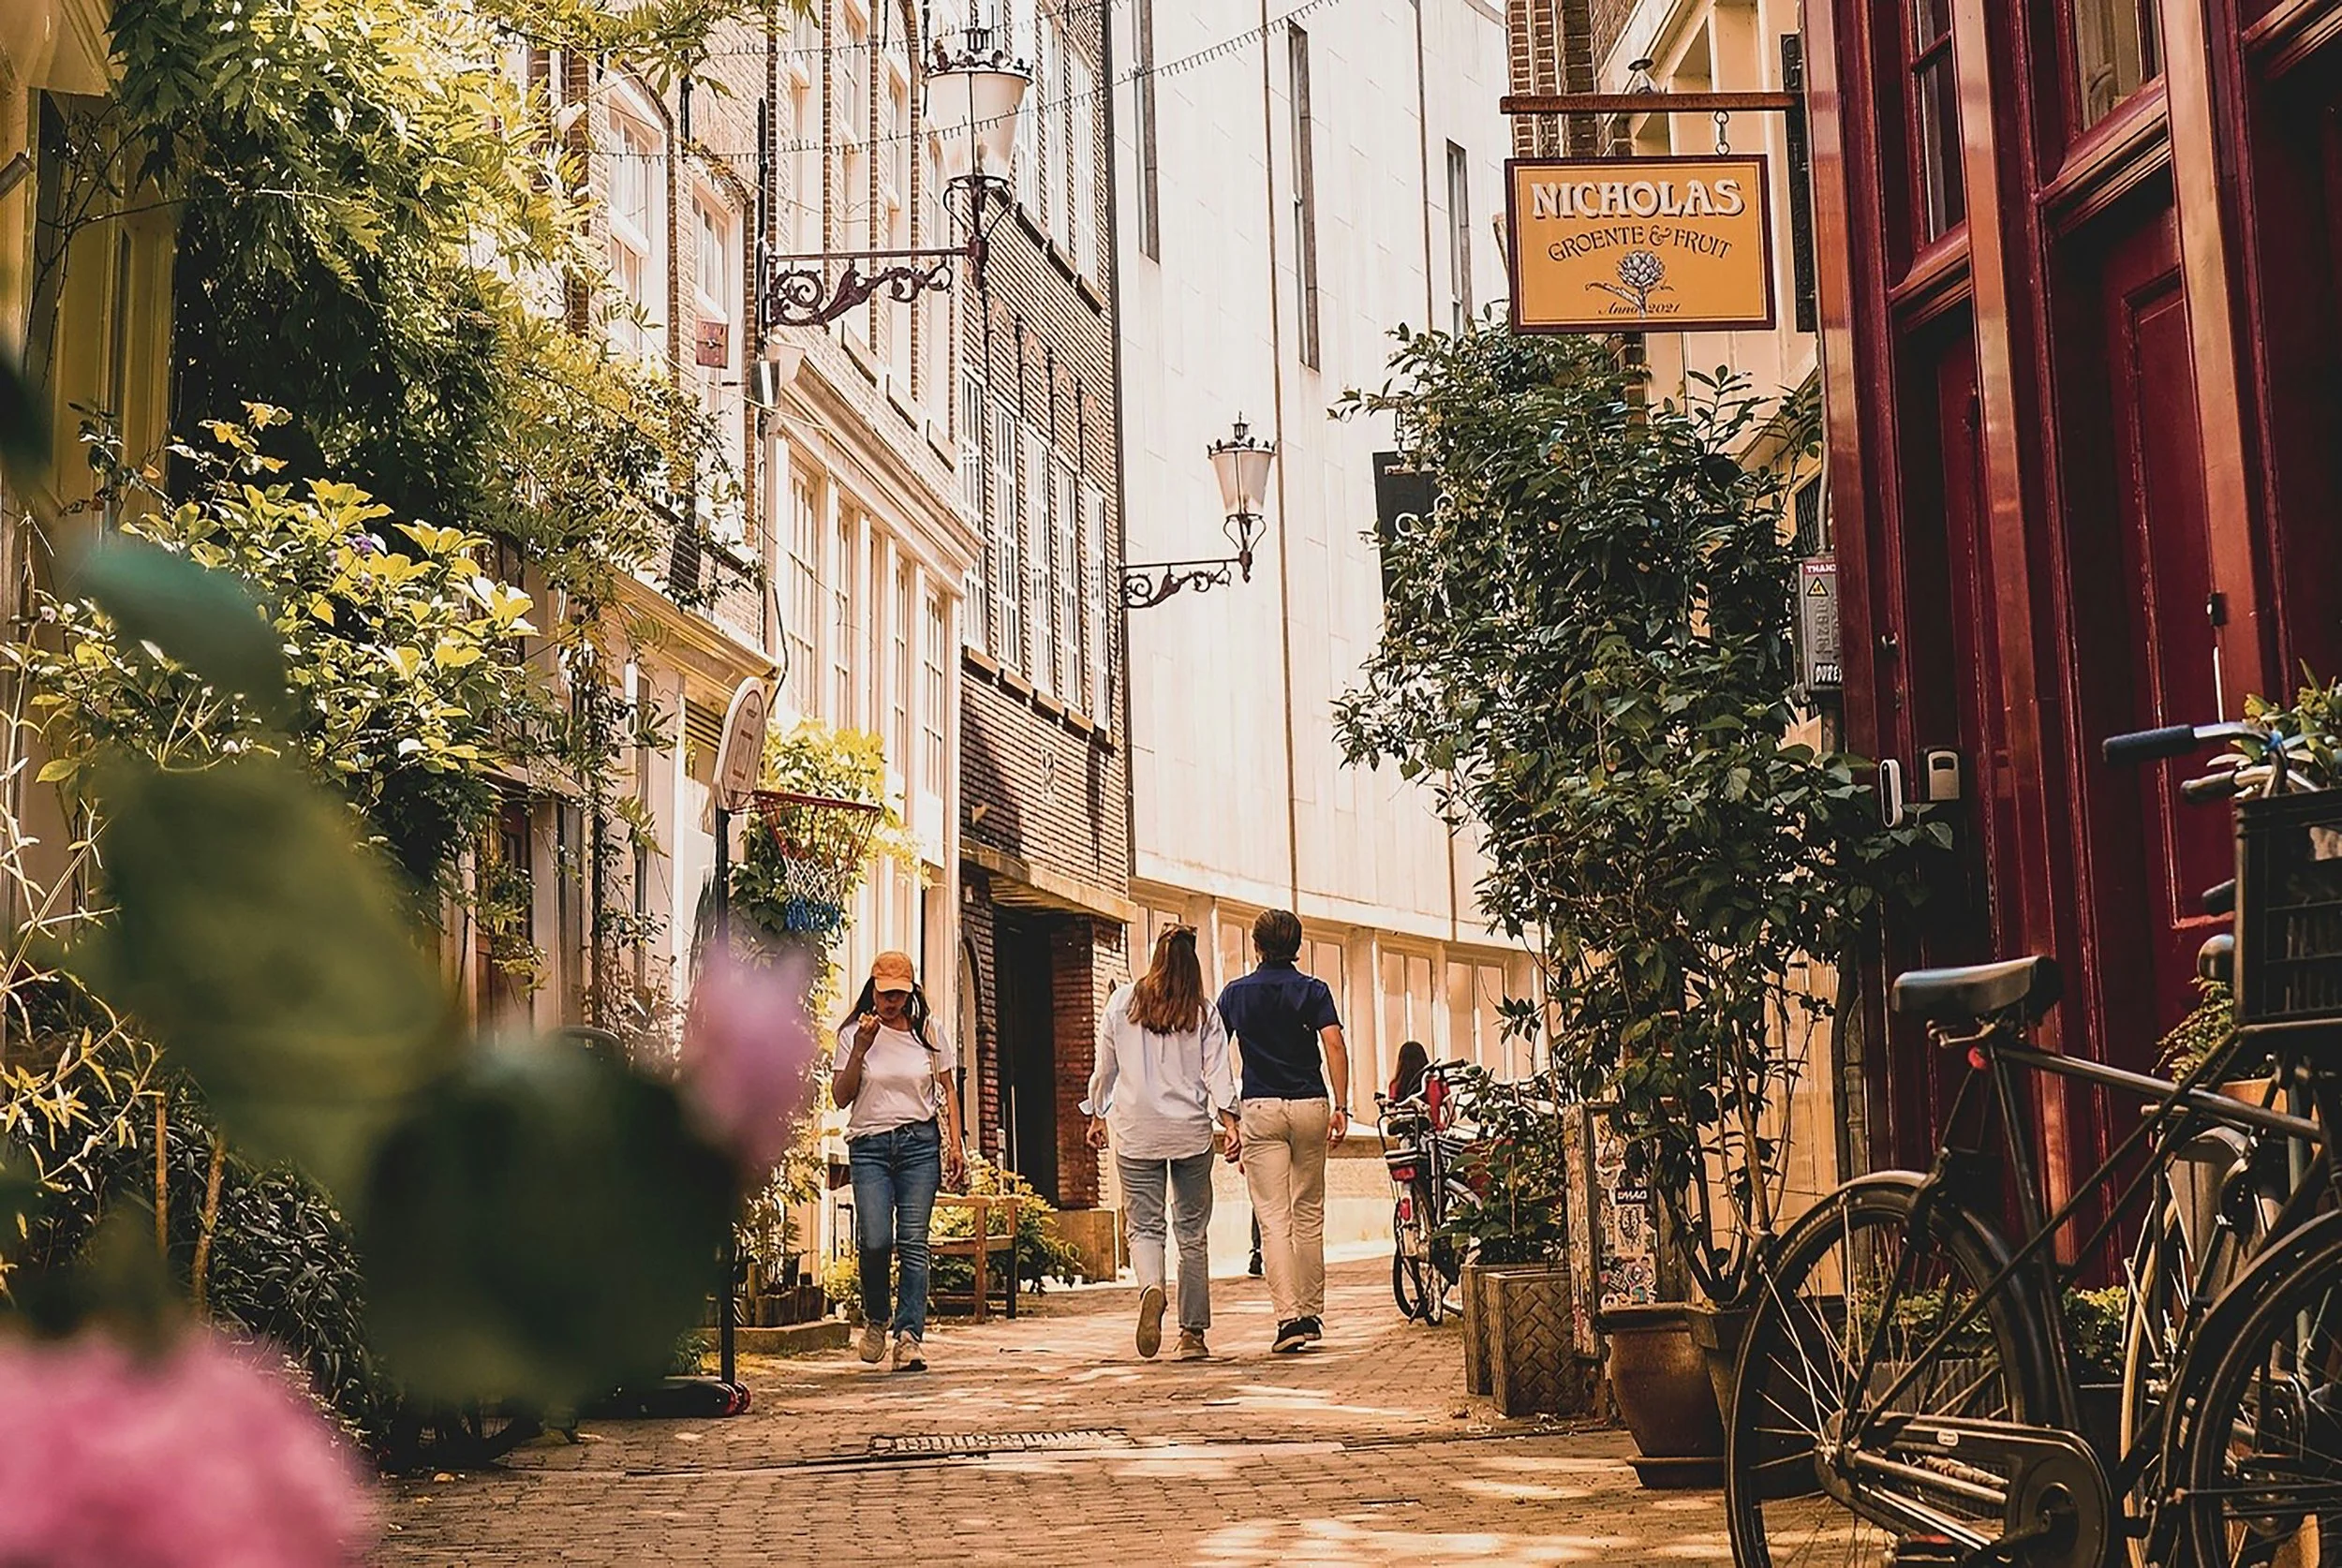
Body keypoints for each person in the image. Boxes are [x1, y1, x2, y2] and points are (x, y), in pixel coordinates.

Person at [1082, 925, 1238, 1361]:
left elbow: (1105, 1068)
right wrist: (1231, 1123)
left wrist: (1097, 1115)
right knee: (1192, 1234)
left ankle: (1151, 1287)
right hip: (1189, 1133)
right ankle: (1192, 1335)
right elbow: (1218, 1074)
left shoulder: (1121, 1003)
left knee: (1144, 1226)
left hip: (1135, 1132)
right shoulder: (1204, 1013)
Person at [1217, 909, 1349, 1354]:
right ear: (1297, 945)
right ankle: (1312, 1313)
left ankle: (1289, 1319)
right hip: (1311, 1103)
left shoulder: (1235, 994)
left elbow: (1214, 1055)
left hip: (1260, 1107)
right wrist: (1342, 1105)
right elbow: (1333, 1042)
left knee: (1273, 1217)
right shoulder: (1313, 990)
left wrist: (1227, 1118)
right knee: (1308, 1211)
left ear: (1257, 946)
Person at [833, 950, 967, 1373]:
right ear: (872, 988)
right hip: (870, 1146)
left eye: (899, 994)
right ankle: (877, 1317)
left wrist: (957, 1145)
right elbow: (840, 1096)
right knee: (874, 1239)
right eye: (885, 993)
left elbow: (948, 1088)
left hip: (918, 1145)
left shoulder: (929, 1030)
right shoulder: (854, 1031)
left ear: (911, 992)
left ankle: (909, 1336)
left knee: (913, 1241)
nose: (891, 1002)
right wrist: (860, 1048)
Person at [1389, 1040, 1448, 1128]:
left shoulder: (1395, 1085)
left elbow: (1392, 1113)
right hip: (1434, 1131)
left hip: (1407, 1133)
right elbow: (1452, 1114)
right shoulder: (1436, 1082)